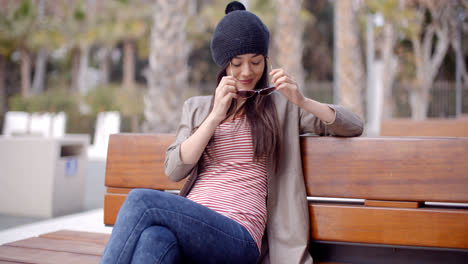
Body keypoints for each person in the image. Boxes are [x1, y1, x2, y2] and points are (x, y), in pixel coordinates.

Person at [100, 1, 363, 263]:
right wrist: (215, 116)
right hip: (193, 222)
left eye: (256, 61)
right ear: (224, 64)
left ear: (265, 60)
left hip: (239, 236)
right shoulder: (198, 108)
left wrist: (303, 100)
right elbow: (174, 170)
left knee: (141, 201)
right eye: (237, 64)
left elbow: (353, 125)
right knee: (154, 238)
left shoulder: (282, 108)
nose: (247, 71)